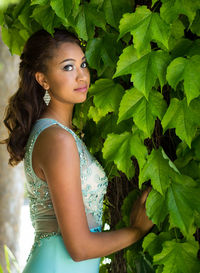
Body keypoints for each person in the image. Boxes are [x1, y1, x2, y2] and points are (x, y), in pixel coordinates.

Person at [1, 28, 153, 273]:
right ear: (43, 80)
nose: (82, 76)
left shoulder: (58, 134)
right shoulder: (57, 139)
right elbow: (79, 247)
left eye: (83, 64)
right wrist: (136, 230)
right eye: (68, 67)